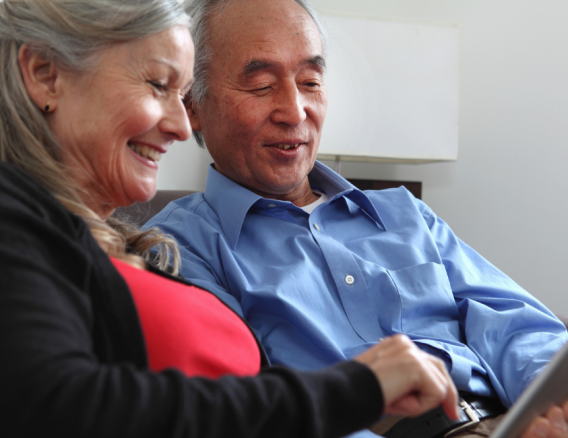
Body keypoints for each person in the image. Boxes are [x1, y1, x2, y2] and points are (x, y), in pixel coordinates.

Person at [142, 0, 568, 437]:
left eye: (311, 82)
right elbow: (246, 410)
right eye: (262, 85)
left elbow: (513, 320)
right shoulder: (178, 247)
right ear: (193, 107)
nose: (295, 110)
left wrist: (552, 396)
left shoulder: (403, 213)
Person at [0, 0, 481, 436]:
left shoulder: (91, 240)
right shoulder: (19, 219)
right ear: (45, 75)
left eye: (311, 81)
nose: (180, 125)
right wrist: (355, 390)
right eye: (156, 84)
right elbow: (56, 406)